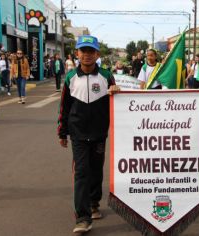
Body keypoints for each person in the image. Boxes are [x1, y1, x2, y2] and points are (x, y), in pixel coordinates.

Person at [57, 35, 119, 234]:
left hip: (100, 133)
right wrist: (62, 132)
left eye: (91, 51)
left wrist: (117, 92)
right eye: (83, 51)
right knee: (81, 173)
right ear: (77, 54)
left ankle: (93, 203)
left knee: (96, 171)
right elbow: (64, 107)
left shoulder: (107, 76)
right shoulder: (70, 78)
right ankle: (82, 217)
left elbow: (118, 104)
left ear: (97, 54)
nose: (87, 55)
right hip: (78, 134)